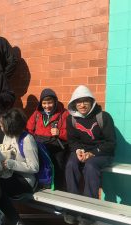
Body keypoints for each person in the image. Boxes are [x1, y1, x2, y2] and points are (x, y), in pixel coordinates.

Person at [64, 85, 116, 225]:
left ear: (91, 101)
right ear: (74, 103)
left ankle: (89, 212)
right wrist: (78, 151)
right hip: (83, 151)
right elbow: (72, 141)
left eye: (85, 101)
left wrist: (92, 153)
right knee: (70, 164)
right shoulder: (72, 119)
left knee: (91, 166)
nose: (82, 105)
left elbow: (111, 143)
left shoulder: (103, 116)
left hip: (102, 153)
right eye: (78, 102)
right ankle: (72, 207)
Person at [26, 88, 69, 189]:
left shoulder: (64, 114)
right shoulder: (37, 113)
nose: (47, 106)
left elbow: (71, 134)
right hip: (40, 145)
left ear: (55, 102)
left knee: (57, 168)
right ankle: (40, 186)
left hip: (55, 146)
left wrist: (60, 133)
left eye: (50, 103)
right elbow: (29, 128)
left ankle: (58, 190)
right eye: (44, 103)